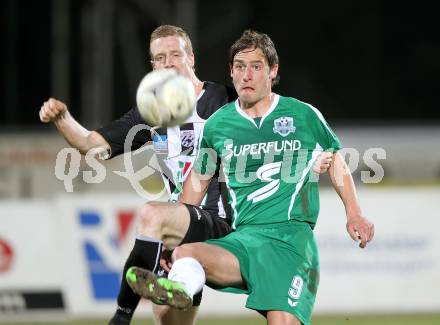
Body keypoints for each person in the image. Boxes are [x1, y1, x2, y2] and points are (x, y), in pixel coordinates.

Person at [125, 29, 375, 325]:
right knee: (185, 254)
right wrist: (169, 241)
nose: (246, 76)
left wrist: (354, 213)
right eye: (239, 67)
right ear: (231, 72)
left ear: (273, 71)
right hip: (243, 240)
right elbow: (196, 184)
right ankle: (179, 289)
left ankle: (181, 287)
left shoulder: (301, 115)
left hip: (290, 243)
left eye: (256, 67)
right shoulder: (218, 125)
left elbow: (336, 161)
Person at [39, 25, 237, 325]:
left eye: (175, 54)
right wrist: (62, 118)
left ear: (191, 58)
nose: (168, 63)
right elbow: (92, 145)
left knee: (150, 215)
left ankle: (121, 316)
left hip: (222, 222)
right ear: (153, 66)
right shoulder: (152, 113)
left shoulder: (224, 100)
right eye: (159, 58)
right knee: (167, 318)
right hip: (182, 226)